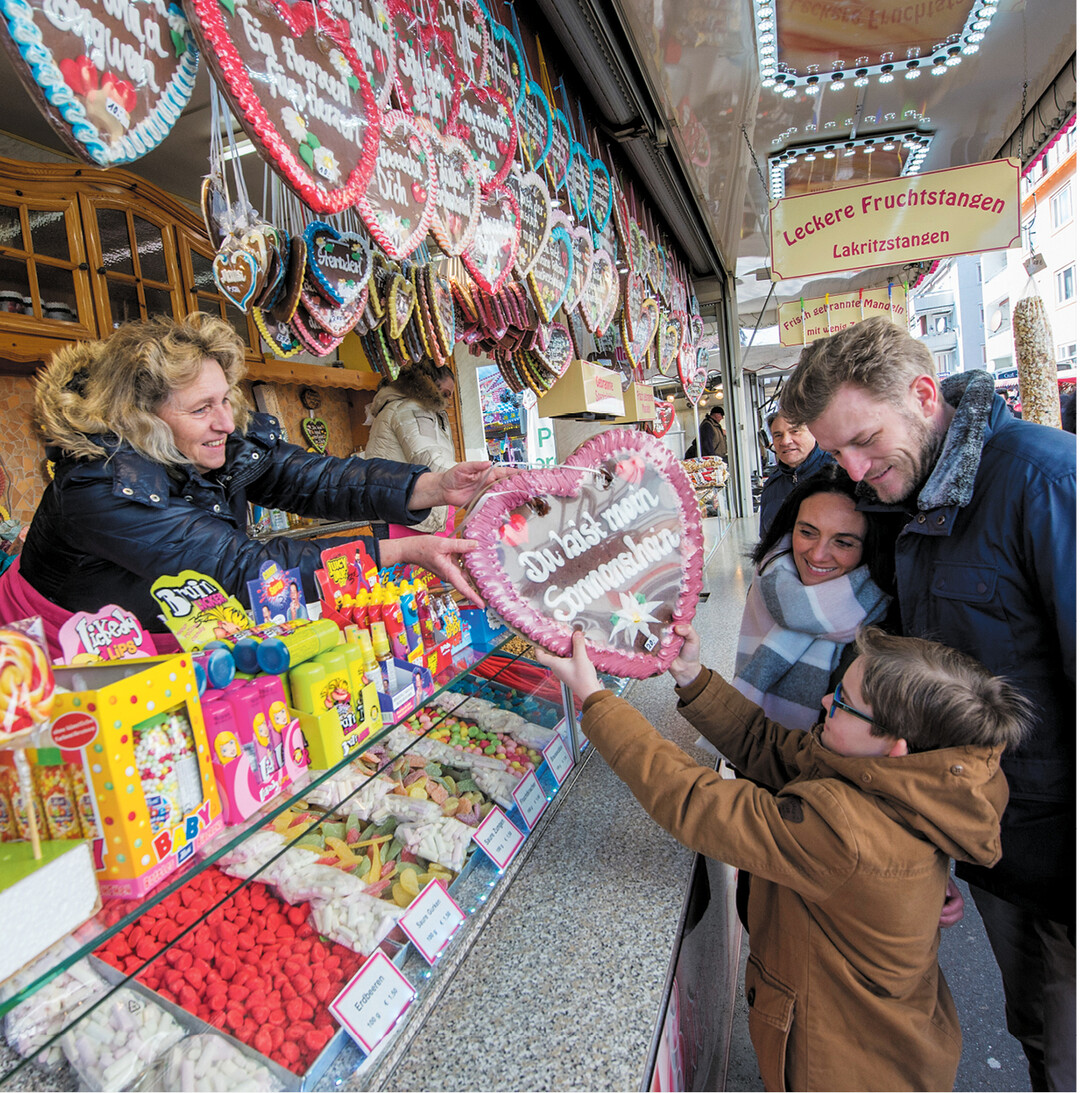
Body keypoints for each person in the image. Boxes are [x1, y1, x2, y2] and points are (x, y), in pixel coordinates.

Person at [779, 314, 1076, 1091]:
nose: (850, 467)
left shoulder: (1045, 480)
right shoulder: (908, 494)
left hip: (1063, 855)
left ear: (920, 394)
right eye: (835, 451)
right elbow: (916, 702)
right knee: (1036, 1032)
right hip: (993, 847)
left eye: (862, 441)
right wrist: (928, 840)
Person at [538, 625, 1031, 1091]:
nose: (823, 701)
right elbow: (769, 746)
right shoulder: (917, 777)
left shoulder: (846, 832)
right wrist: (691, 675)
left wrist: (597, 702)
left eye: (842, 703)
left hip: (844, 1061)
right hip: (895, 1029)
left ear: (894, 747)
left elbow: (696, 802)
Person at [4, 314, 498, 652]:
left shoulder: (209, 440)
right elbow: (244, 569)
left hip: (171, 635)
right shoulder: (101, 484)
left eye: (224, 399)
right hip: (62, 655)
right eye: (202, 408)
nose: (225, 421)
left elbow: (314, 477)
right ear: (141, 418)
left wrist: (435, 485)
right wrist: (403, 550)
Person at [736, 465, 894, 734]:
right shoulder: (769, 579)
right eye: (807, 532)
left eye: (843, 542)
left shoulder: (884, 631)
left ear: (870, 549)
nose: (818, 555)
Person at [364, 358, 458, 535]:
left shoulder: (400, 407)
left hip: (399, 512)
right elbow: (430, 460)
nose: (447, 402)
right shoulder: (410, 409)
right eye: (444, 393)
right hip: (405, 517)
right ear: (427, 384)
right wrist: (481, 480)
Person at [757, 410, 833, 535]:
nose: (785, 441)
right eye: (778, 435)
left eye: (795, 431)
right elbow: (766, 543)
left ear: (814, 432)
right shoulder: (772, 486)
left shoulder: (839, 474)